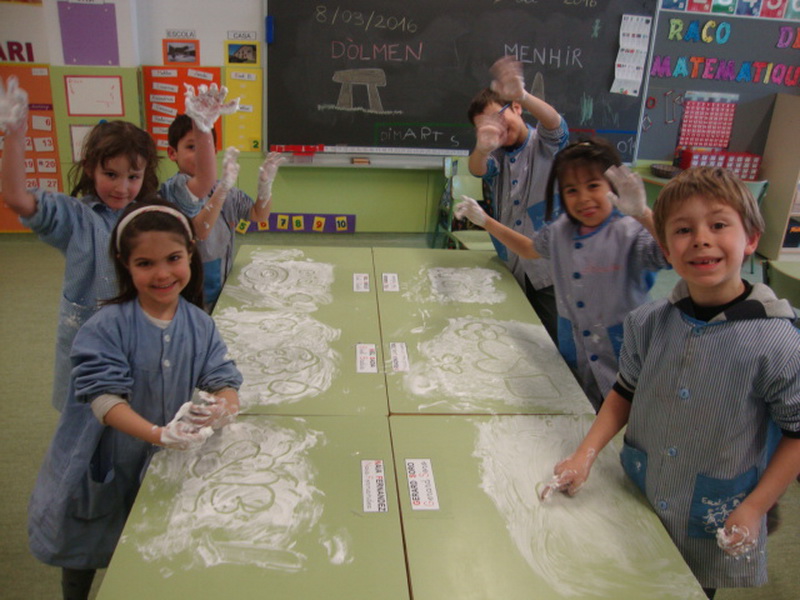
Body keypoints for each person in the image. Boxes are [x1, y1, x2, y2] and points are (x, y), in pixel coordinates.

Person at [539, 167, 800, 598]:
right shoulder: (648, 322)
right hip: (642, 488)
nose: (701, 239)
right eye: (683, 229)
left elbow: (796, 434)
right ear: (665, 247)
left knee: (687, 588)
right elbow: (624, 392)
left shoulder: (779, 342)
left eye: (719, 225)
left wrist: (756, 507)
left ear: (751, 239)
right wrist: (585, 454)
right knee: (629, 577)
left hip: (712, 514)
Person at [27, 198, 243, 600]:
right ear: (125, 265)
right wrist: (158, 434)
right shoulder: (106, 327)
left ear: (190, 255)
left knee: (147, 544)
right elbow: (103, 401)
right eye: (145, 263)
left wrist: (222, 407)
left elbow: (223, 378)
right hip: (103, 460)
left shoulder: (199, 324)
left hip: (156, 463)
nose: (162, 273)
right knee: (85, 545)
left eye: (173, 258)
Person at [0, 76, 235, 411]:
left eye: (133, 177)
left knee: (140, 413)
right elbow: (16, 198)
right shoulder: (76, 218)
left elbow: (204, 180)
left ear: (145, 173)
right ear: (90, 168)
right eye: (111, 175)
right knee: (90, 416)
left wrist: (201, 126)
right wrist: (14, 134)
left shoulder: (154, 210)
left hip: (145, 340)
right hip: (91, 344)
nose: (122, 188)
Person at [455, 138, 668, 410]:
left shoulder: (631, 233)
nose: (584, 198)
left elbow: (672, 254)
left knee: (626, 420)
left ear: (611, 186)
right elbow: (529, 248)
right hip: (577, 354)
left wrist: (643, 214)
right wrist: (485, 221)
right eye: (571, 190)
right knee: (582, 414)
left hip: (627, 360)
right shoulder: (560, 231)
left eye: (593, 186)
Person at [467, 56, 570, 343]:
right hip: (512, 262)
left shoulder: (545, 144)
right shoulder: (496, 154)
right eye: (485, 127)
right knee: (519, 336)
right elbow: (477, 169)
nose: (496, 130)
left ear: (516, 108)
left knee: (554, 341)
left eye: (498, 118)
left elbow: (555, 124)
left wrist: (523, 94)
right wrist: (482, 148)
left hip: (550, 271)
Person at [162, 113, 284, 311]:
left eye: (206, 148)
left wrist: (265, 186)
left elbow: (258, 215)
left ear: (215, 151)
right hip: (188, 293)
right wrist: (223, 188)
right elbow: (200, 231)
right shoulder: (174, 189)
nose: (200, 155)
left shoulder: (225, 191)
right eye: (191, 147)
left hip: (220, 283)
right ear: (172, 153)